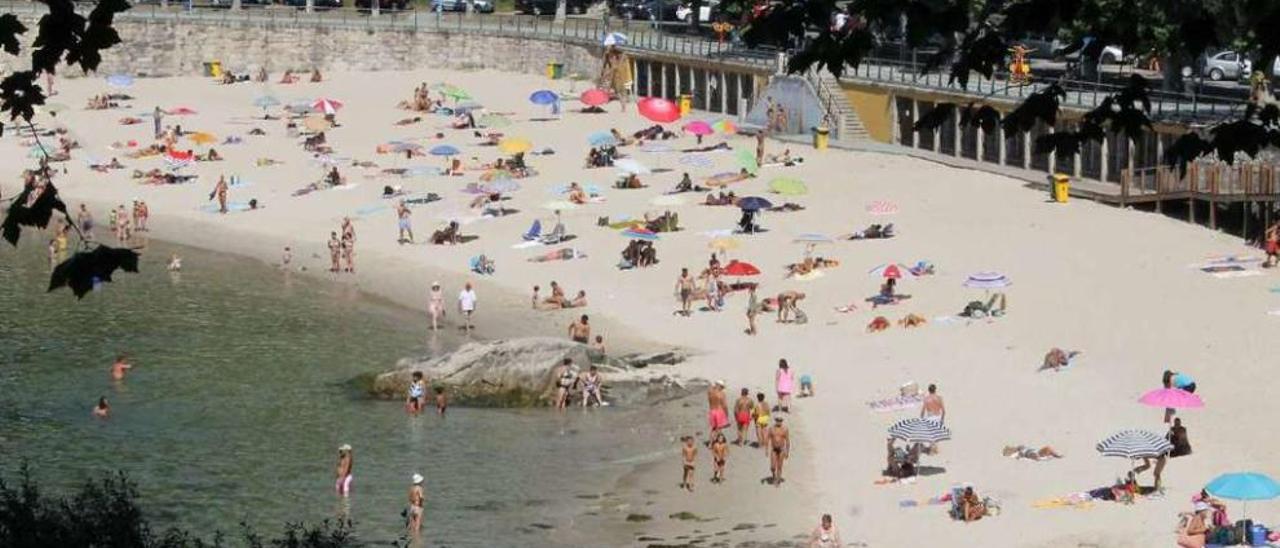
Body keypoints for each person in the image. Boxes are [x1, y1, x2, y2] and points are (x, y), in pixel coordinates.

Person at [766, 416, 790, 486]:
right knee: (773, 467)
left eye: (780, 420)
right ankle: (774, 475)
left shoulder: (785, 429)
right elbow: (767, 439)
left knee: (779, 466)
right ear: (775, 421)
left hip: (781, 449)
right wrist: (766, 450)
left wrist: (787, 451)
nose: (778, 422)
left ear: (782, 421)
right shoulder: (771, 429)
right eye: (777, 420)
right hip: (774, 449)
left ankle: (778, 480)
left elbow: (787, 441)